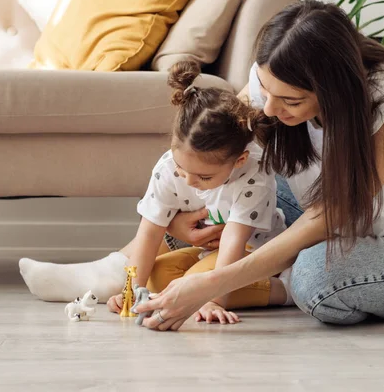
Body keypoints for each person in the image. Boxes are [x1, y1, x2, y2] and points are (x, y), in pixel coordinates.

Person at [131, 0, 384, 331]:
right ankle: (118, 272)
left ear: (334, 89)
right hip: (332, 218)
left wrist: (211, 284)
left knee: (314, 278)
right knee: (212, 184)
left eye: (290, 100)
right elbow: (219, 150)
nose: (268, 109)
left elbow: (333, 213)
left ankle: (259, 280)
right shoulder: (278, 78)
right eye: (265, 90)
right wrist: (176, 221)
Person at [19, 61, 293, 324]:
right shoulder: (168, 169)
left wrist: (214, 300)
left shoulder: (254, 176)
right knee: (157, 277)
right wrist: (131, 289)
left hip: (250, 255)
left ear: (239, 161)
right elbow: (149, 232)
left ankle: (283, 291)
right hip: (206, 251)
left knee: (192, 286)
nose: (189, 181)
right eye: (182, 168)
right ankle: (111, 278)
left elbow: (233, 243)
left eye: (204, 176)